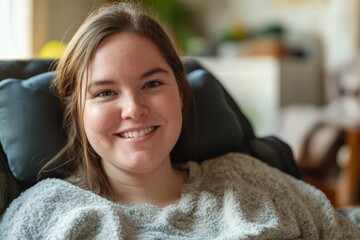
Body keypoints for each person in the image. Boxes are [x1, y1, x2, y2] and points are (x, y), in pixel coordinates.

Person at [0, 2, 359, 239]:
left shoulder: (249, 177)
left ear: (181, 94)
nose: (134, 109)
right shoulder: (47, 215)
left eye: (152, 83)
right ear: (77, 112)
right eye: (105, 92)